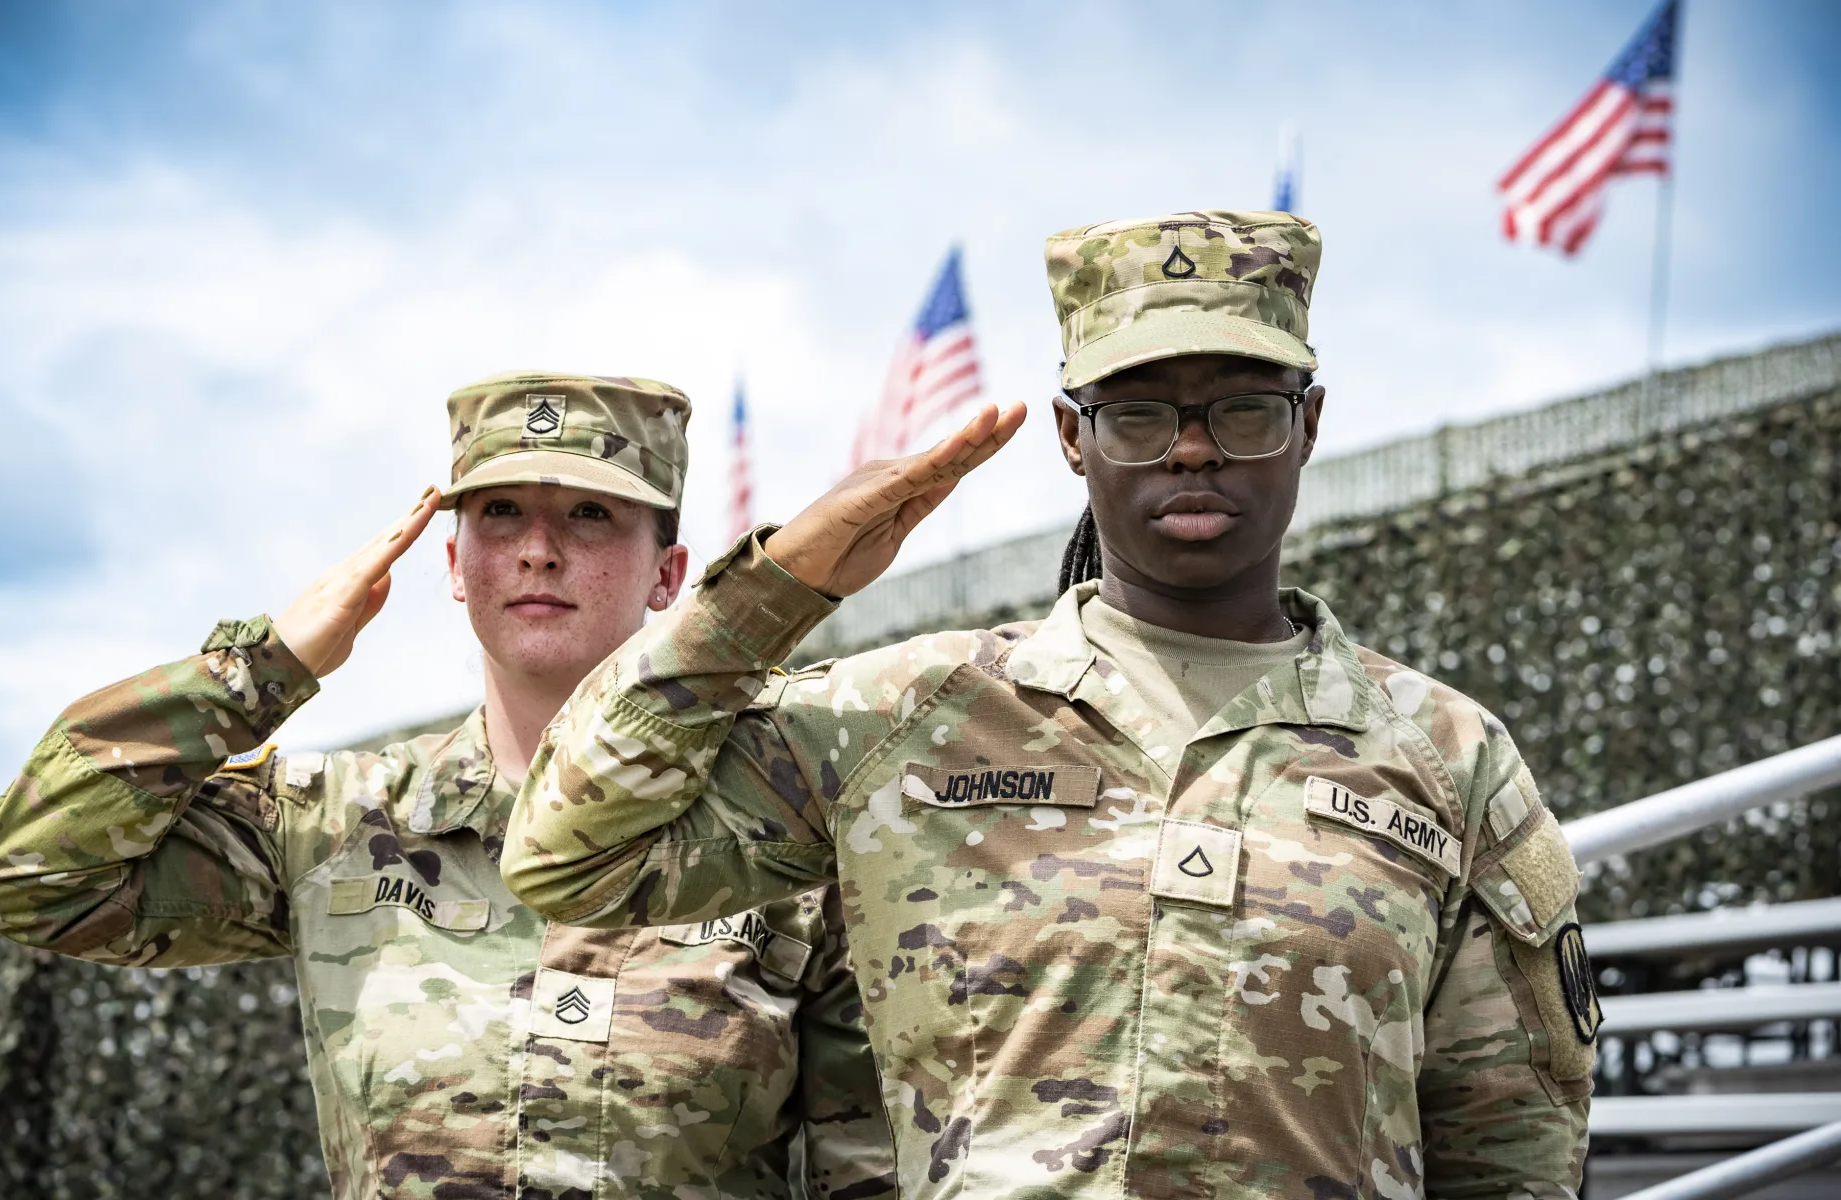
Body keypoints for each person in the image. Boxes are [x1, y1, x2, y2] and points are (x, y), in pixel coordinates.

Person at [500, 214, 1599, 1198]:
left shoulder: (1445, 755)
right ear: (1073, 436)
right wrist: (778, 587)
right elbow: (569, 857)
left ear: (1309, 423)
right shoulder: (905, 717)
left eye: (1244, 409)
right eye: (1138, 415)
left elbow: (1513, 1146)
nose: (1193, 447)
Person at [0, 372, 896, 1200]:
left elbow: (877, 1173)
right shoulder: (333, 823)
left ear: (669, 574)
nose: (538, 550)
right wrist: (260, 671)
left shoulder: (786, 843)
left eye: (590, 514)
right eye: (501, 514)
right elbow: (29, 878)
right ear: (453, 564)